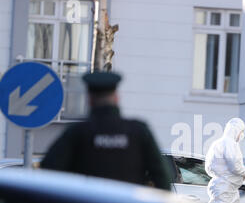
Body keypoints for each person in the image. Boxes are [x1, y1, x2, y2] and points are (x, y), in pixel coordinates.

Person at [41, 71, 172, 190]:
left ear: (90, 100)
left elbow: (48, 172)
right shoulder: (138, 131)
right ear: (116, 98)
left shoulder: (77, 132)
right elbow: (162, 175)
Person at [205, 118, 245, 203]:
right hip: (224, 188)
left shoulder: (218, 143)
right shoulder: (229, 143)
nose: (241, 135)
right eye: (241, 132)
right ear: (235, 130)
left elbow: (209, 167)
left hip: (230, 189)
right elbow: (235, 167)